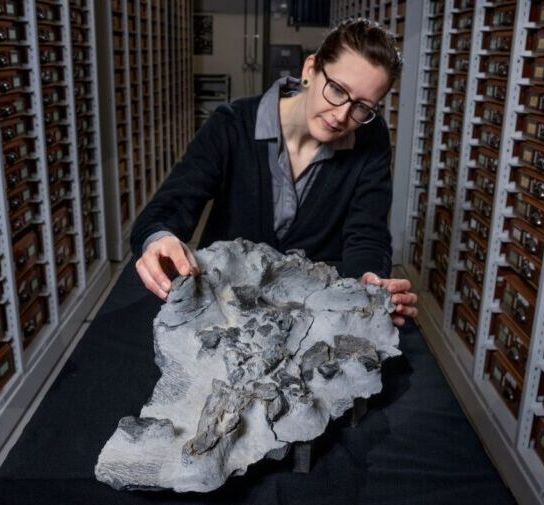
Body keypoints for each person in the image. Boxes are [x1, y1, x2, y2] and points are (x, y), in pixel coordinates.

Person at [131, 18, 418, 326]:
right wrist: (159, 239)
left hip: (312, 312)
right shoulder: (231, 124)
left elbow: (367, 233)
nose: (341, 115)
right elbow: (170, 206)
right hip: (228, 305)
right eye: (337, 90)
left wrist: (370, 281)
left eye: (362, 107)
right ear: (310, 69)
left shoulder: (371, 138)